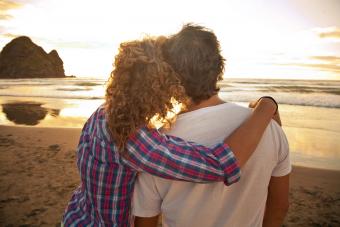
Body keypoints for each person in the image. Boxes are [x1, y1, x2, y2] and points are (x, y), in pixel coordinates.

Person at [62, 33, 277, 226]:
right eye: (169, 83)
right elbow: (220, 165)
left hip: (77, 216)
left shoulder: (104, 113)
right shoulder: (133, 139)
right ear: (154, 86)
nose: (173, 90)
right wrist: (266, 107)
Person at [133, 24, 290, 227]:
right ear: (219, 68)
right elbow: (280, 207)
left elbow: (145, 222)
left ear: (170, 77)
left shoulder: (157, 147)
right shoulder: (270, 128)